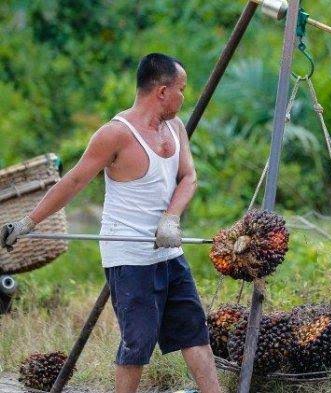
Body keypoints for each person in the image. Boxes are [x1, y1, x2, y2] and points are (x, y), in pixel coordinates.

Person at [0, 53, 221, 393]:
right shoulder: (115, 135)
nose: (183, 96)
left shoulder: (175, 128)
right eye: (181, 89)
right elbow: (73, 181)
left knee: (195, 332)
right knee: (137, 344)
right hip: (129, 257)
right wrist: (27, 223)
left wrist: (170, 219)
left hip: (168, 252)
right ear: (162, 91)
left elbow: (188, 177)